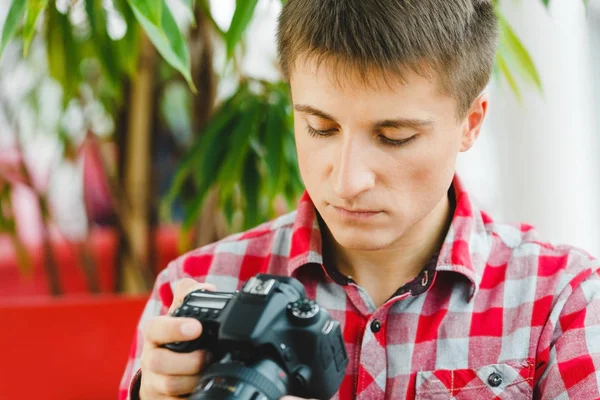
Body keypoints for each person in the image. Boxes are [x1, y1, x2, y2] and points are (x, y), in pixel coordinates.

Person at [119, 0, 600, 399]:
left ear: (471, 122)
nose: (347, 181)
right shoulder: (195, 287)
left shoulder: (561, 302)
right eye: (319, 127)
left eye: (394, 136)